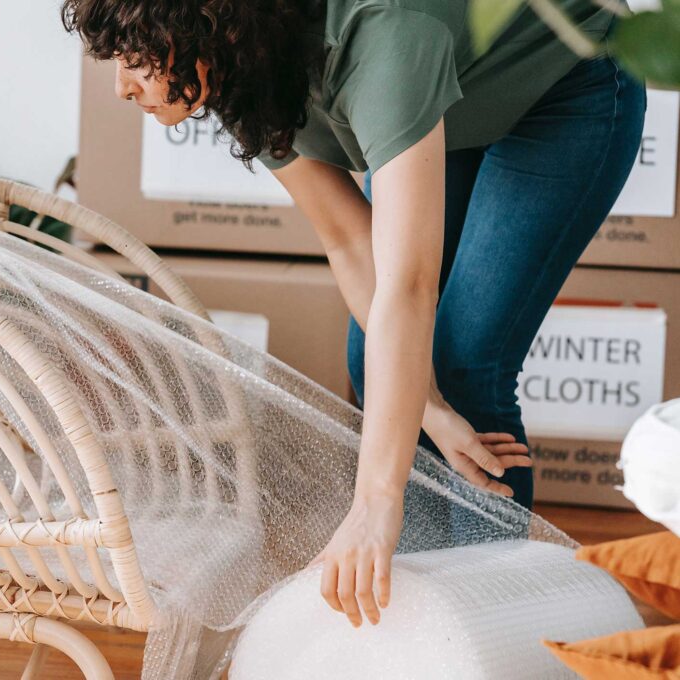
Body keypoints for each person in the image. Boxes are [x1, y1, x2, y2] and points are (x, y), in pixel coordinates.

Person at [63, 0, 644, 629]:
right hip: (458, 97)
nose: (121, 86)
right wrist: (430, 411)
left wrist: (375, 499)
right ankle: (418, 625)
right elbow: (346, 236)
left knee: (465, 364)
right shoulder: (238, 64)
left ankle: (491, 635)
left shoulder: (379, 40)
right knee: (380, 365)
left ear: (194, 29)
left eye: (133, 58)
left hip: (566, 93)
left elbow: (408, 285)